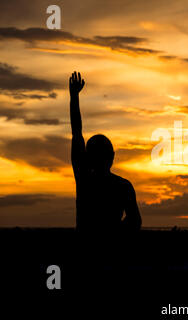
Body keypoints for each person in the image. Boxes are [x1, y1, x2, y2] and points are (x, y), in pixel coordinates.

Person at [69, 71, 142, 234]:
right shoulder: (123, 186)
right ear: (112, 157)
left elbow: (77, 132)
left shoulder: (85, 180)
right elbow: (135, 222)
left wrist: (74, 96)